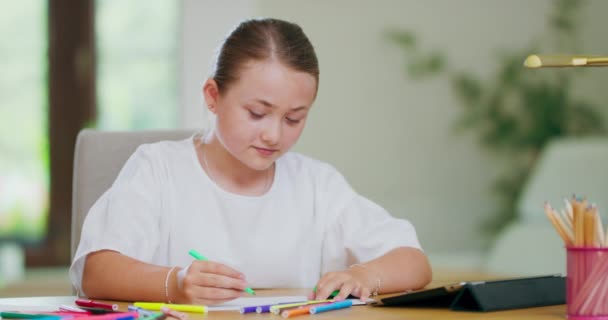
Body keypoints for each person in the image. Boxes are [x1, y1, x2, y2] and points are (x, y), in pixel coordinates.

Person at [70, 18, 431, 305]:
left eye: (294, 119)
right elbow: (96, 271)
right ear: (213, 96)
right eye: (257, 113)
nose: (274, 135)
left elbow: (414, 262)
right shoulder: (158, 168)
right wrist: (174, 284)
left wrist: (365, 276)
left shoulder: (316, 185)